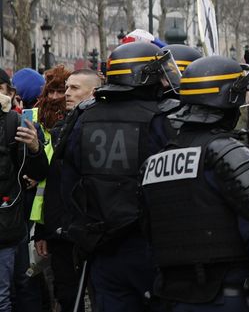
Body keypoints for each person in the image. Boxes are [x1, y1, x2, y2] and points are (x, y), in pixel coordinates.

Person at [140, 56, 249, 311]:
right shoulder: (231, 155)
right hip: (224, 295)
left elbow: (147, 235)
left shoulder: (154, 163)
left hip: (169, 297)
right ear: (228, 101)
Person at [59, 41, 180, 311]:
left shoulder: (84, 117)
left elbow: (68, 181)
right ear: (145, 76)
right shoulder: (162, 119)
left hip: (101, 247)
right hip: (151, 247)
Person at [32, 69, 101, 312]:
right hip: (61, 231)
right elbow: (52, 182)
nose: (66, 94)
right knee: (66, 294)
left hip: (92, 230)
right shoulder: (62, 127)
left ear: (93, 92)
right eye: (66, 88)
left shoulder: (103, 129)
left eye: (73, 89)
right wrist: (43, 230)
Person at [0, 85, 47, 312]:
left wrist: (35, 148)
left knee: (4, 296)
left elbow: (38, 172)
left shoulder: (13, 123)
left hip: (5, 227)